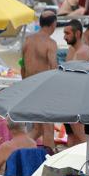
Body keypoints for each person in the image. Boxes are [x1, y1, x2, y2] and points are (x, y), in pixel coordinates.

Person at [23, 12, 58, 148]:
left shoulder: (28, 40)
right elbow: (54, 68)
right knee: (48, 127)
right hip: (43, 88)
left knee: (38, 129)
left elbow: (22, 66)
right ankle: (49, 158)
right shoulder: (50, 43)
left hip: (28, 86)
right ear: (54, 24)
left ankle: (17, 147)